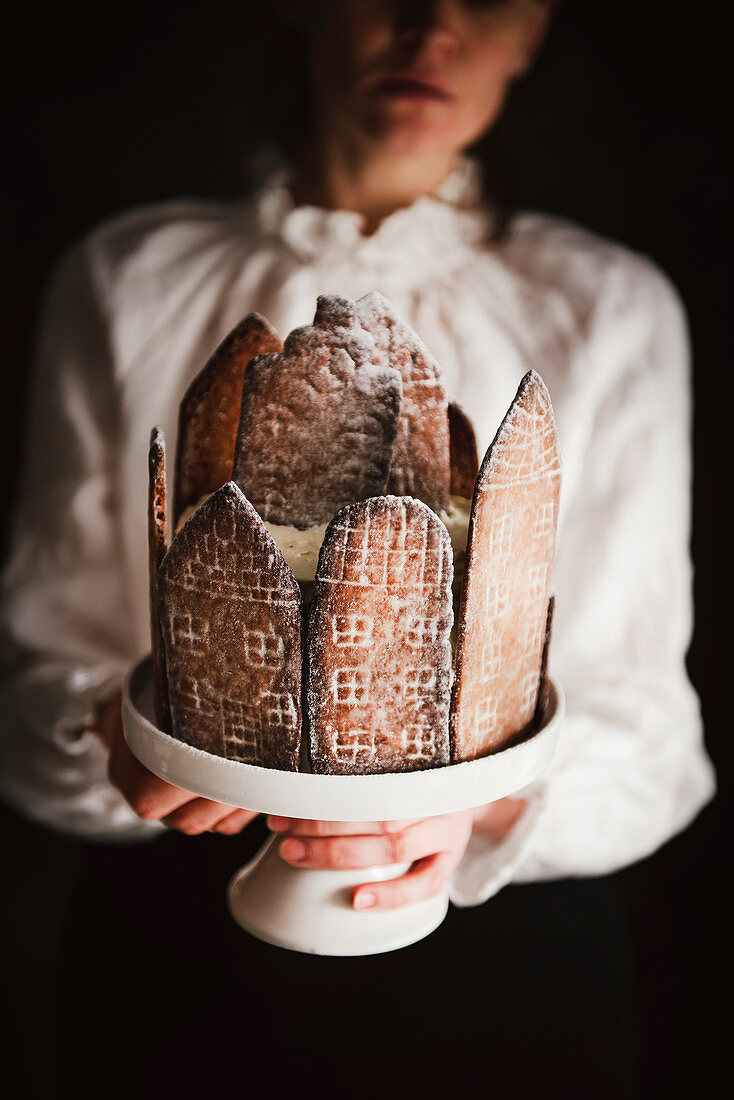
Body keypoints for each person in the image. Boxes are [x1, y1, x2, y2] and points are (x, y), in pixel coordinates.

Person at [0, 0, 715, 934]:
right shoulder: (125, 281)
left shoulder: (611, 311)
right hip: (175, 920)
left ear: (536, 27)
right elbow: (39, 676)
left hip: (507, 938)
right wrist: (110, 730)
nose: (432, 30)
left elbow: (647, 730)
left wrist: (483, 811)